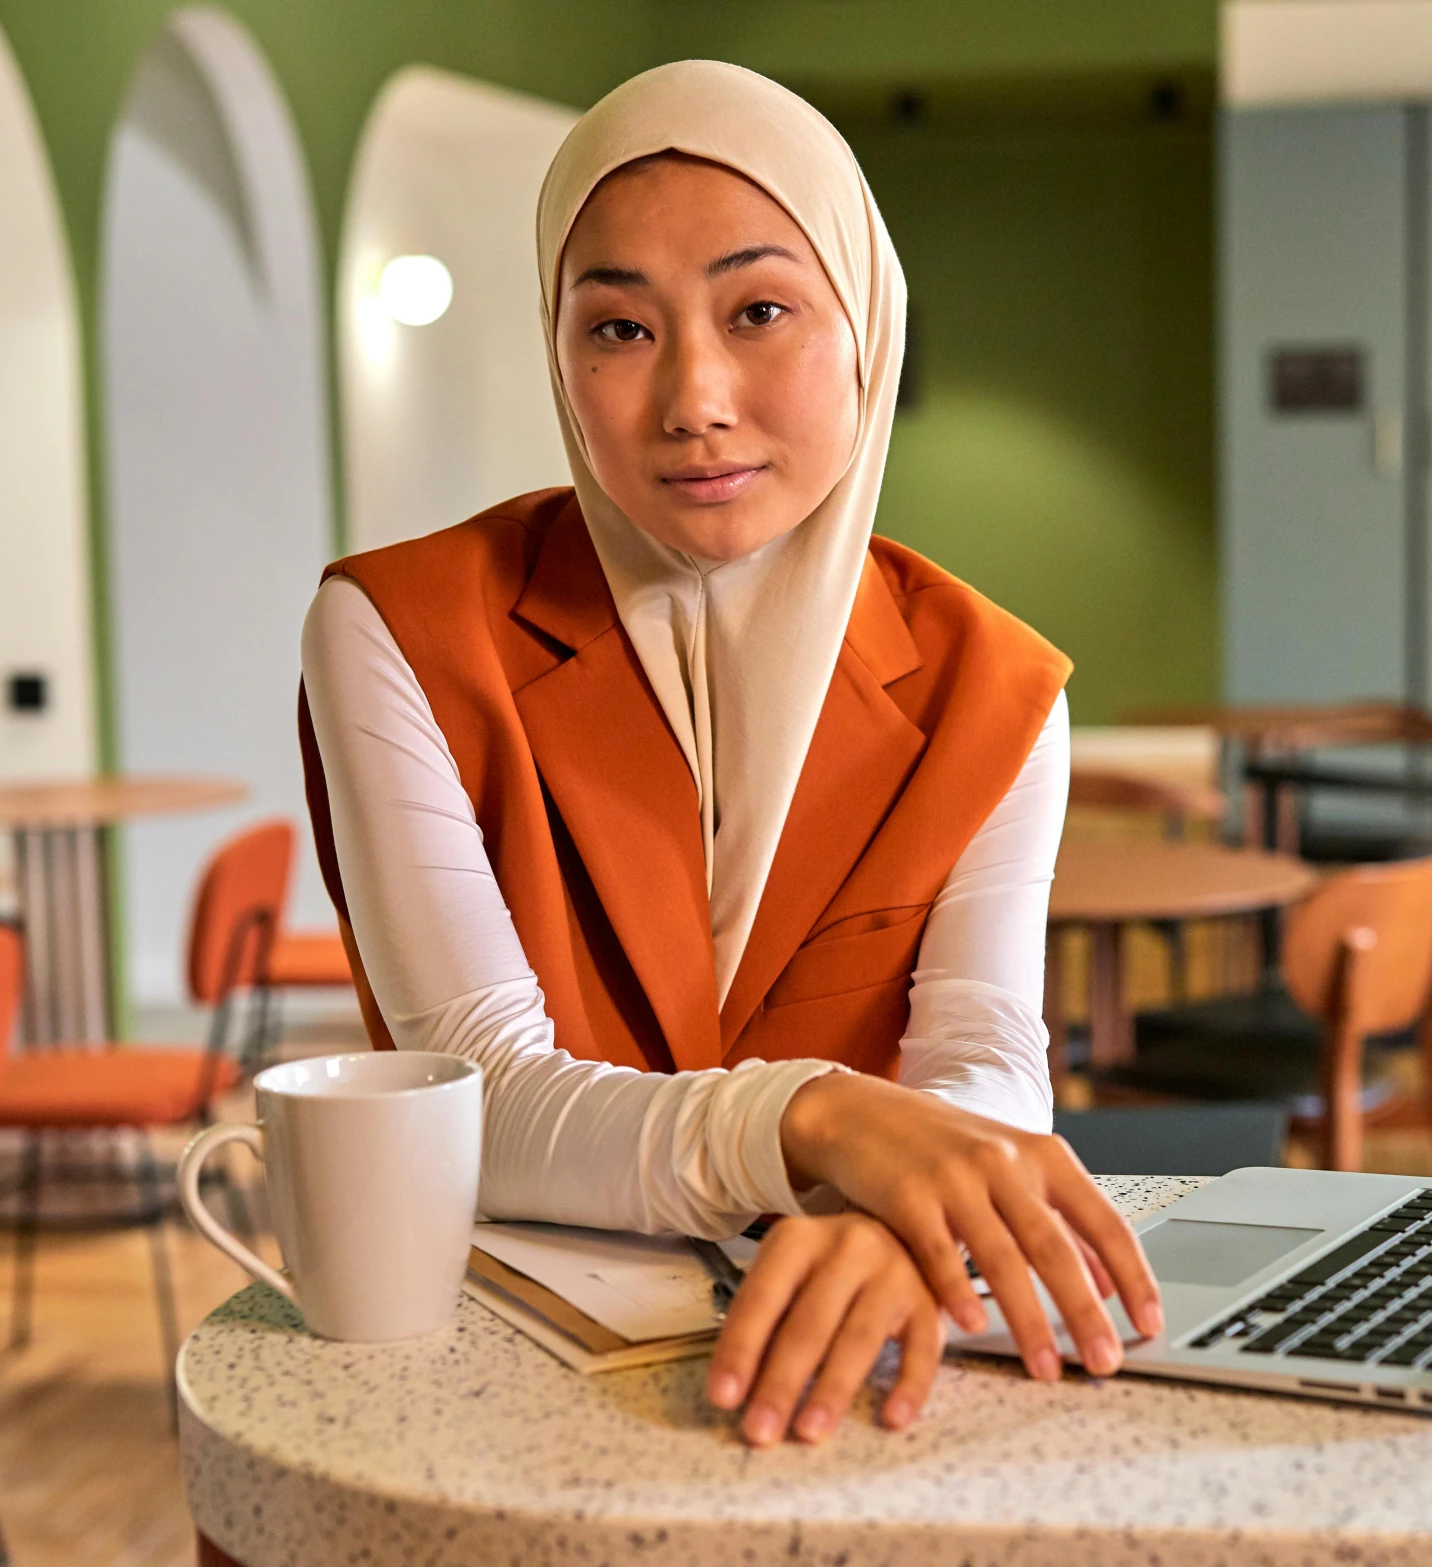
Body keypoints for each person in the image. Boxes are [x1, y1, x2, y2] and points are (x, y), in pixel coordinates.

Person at [298, 60, 1160, 1450]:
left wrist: (905, 1223)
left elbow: (984, 1056)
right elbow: (474, 1095)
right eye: (619, 328)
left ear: (865, 326)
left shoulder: (990, 687)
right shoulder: (398, 628)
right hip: (493, 1384)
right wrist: (816, 1124)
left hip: (862, 1380)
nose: (692, 396)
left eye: (759, 310)